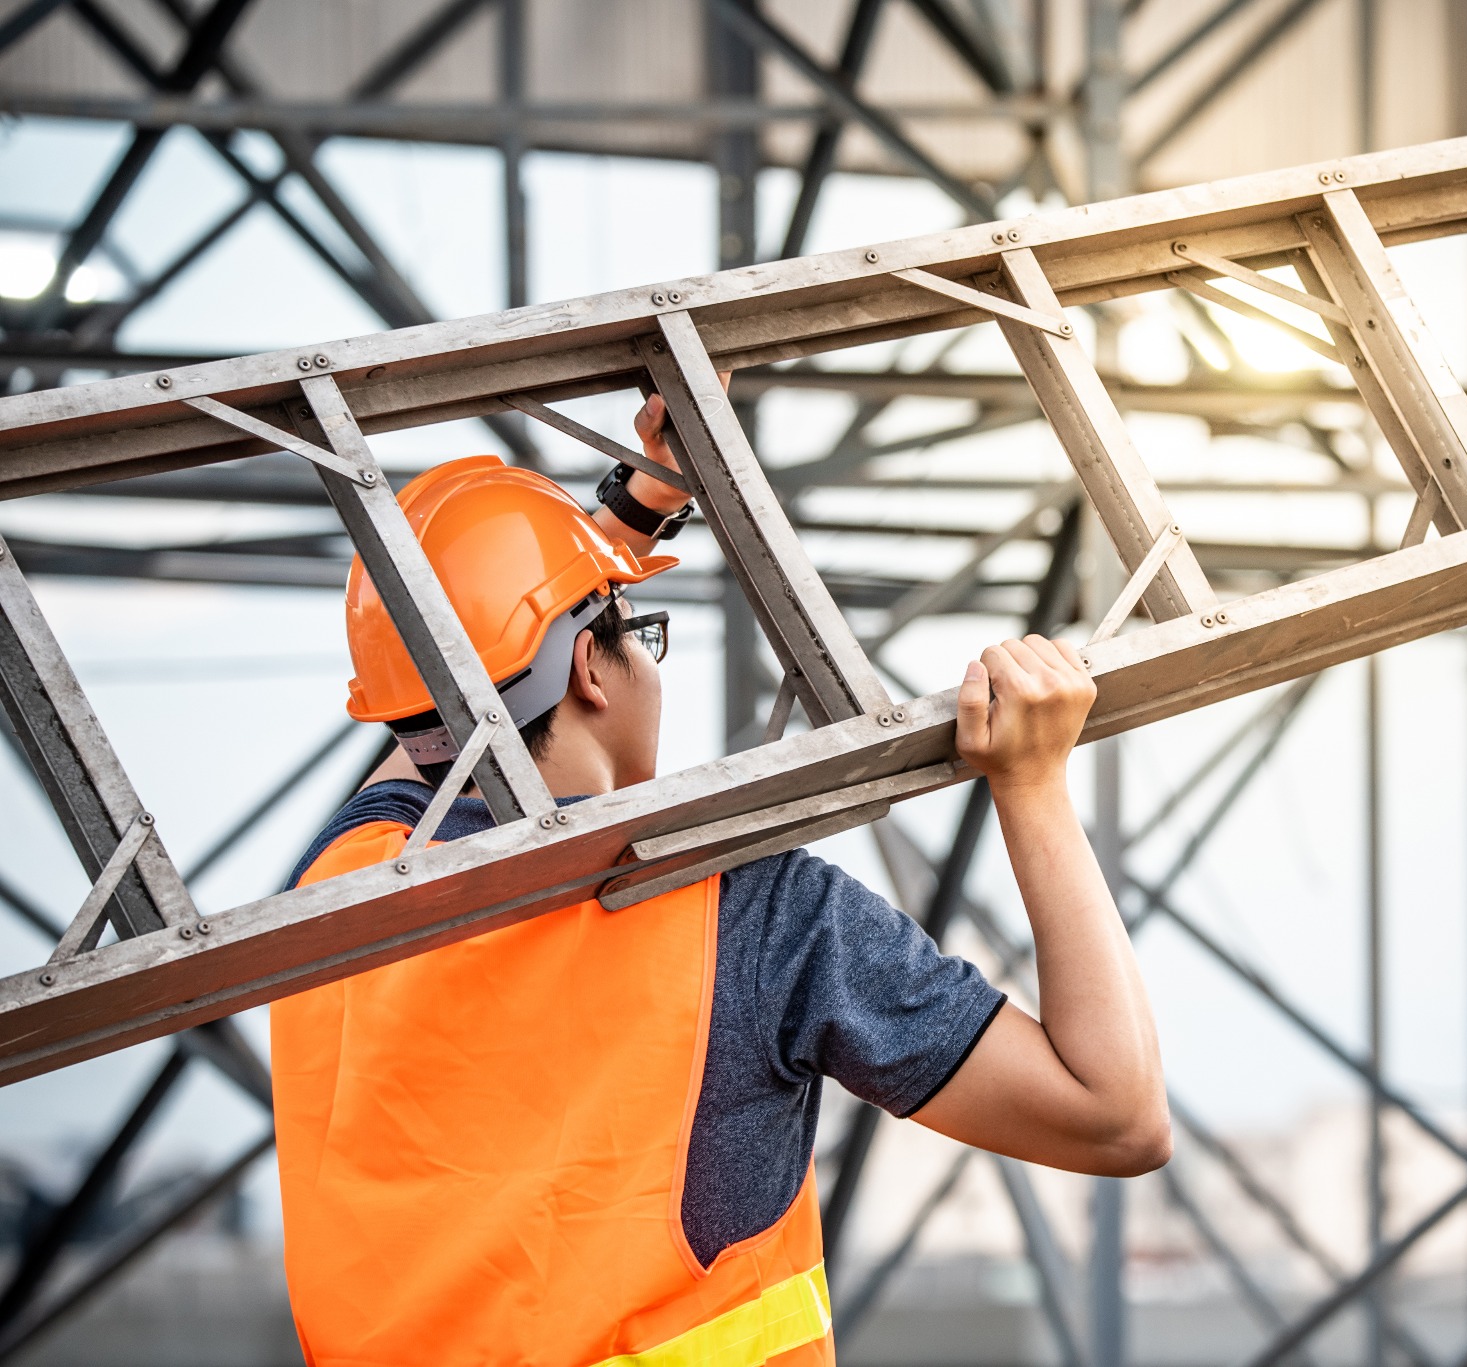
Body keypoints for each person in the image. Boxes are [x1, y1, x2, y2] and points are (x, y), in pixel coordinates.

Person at [270, 389, 1169, 1367]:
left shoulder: (343, 883)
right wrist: (1031, 783)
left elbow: (438, 724)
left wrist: (634, 512)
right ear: (590, 669)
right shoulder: (739, 910)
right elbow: (1114, 1115)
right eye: (637, 631)